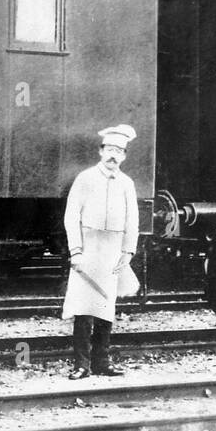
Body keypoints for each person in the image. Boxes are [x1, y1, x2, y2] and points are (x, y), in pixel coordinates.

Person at [63, 124, 140, 380]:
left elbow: (133, 221)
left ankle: (102, 362)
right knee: (84, 308)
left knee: (107, 307)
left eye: (119, 151)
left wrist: (128, 252)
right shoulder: (85, 178)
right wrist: (76, 250)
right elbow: (71, 215)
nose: (113, 155)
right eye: (109, 149)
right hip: (88, 246)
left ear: (125, 155)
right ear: (100, 151)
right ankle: (81, 365)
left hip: (113, 250)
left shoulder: (127, 184)